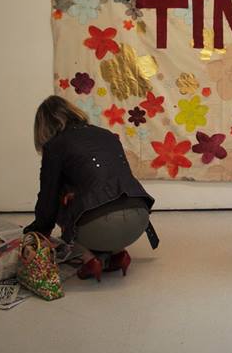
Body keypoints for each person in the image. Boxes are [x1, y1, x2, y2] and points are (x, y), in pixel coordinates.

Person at [24, 95, 156, 282]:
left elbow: (48, 198)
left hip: (101, 224)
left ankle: (89, 259)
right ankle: (118, 254)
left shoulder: (55, 146)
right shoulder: (106, 134)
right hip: (140, 218)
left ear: (43, 127)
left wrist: (38, 232)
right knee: (94, 198)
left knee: (62, 197)